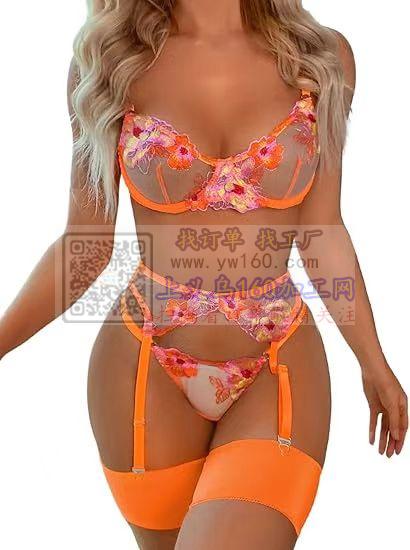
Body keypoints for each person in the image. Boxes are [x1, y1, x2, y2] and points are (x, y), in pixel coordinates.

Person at [0, 1, 407, 548]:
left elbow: (322, 232)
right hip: (143, 367)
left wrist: (373, 360)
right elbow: (88, 245)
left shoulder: (322, 59)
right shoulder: (111, 63)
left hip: (278, 360)